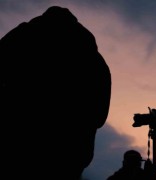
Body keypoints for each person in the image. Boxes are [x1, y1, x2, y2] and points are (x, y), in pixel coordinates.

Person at [0, 6, 111, 179]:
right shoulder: (95, 61)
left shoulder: (23, 36)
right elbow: (99, 115)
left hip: (17, 143)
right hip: (71, 151)